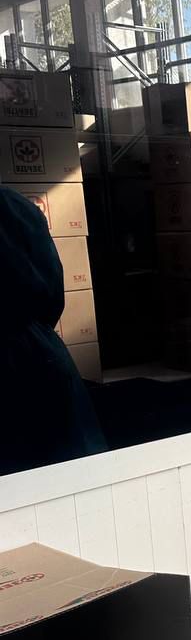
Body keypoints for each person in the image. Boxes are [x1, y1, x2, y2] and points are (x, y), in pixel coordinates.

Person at [0, 186, 106, 475]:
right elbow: (52, 292)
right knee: (71, 472)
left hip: (23, 347)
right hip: (35, 350)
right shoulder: (17, 207)